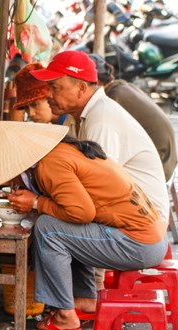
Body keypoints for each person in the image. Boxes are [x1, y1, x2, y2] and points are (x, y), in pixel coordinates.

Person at [0, 121, 168, 330]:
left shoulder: (50, 164)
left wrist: (37, 203)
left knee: (48, 229)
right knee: (61, 226)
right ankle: (85, 300)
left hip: (139, 245)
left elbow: (81, 213)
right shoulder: (62, 151)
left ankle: (65, 316)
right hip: (153, 238)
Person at [30, 50, 169, 224]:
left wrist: (39, 202)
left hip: (142, 222)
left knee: (47, 226)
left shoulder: (102, 119)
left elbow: (97, 190)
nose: (48, 94)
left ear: (81, 88)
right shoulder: (76, 116)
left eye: (54, 87)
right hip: (122, 212)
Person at [89, 54, 177, 182]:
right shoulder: (122, 86)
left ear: (97, 82)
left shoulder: (112, 98)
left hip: (160, 166)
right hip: (167, 158)